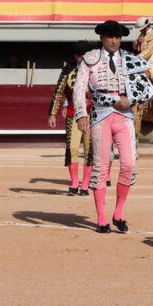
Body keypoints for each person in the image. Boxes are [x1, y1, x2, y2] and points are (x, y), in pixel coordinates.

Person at [72, 20, 153, 234]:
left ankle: (118, 213)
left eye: (117, 37)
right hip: (100, 115)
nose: (114, 40)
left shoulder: (129, 60)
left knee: (129, 164)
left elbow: (146, 87)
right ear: (102, 38)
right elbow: (79, 88)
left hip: (124, 114)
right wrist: (81, 114)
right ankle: (101, 218)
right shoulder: (90, 59)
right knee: (101, 166)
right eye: (110, 36)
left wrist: (131, 99)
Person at [48, 41, 95, 196]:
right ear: (76, 56)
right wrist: (52, 113)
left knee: (90, 150)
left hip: (93, 114)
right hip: (73, 114)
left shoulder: (96, 70)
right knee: (72, 148)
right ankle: (75, 183)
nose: (83, 58)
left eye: (85, 55)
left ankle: (85, 185)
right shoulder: (68, 70)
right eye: (80, 55)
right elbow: (58, 92)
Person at [134, 16, 153, 104]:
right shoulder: (142, 35)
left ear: (145, 27)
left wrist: (137, 58)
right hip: (142, 58)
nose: (140, 30)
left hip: (152, 57)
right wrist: (137, 42)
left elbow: (151, 50)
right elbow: (135, 47)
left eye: (141, 29)